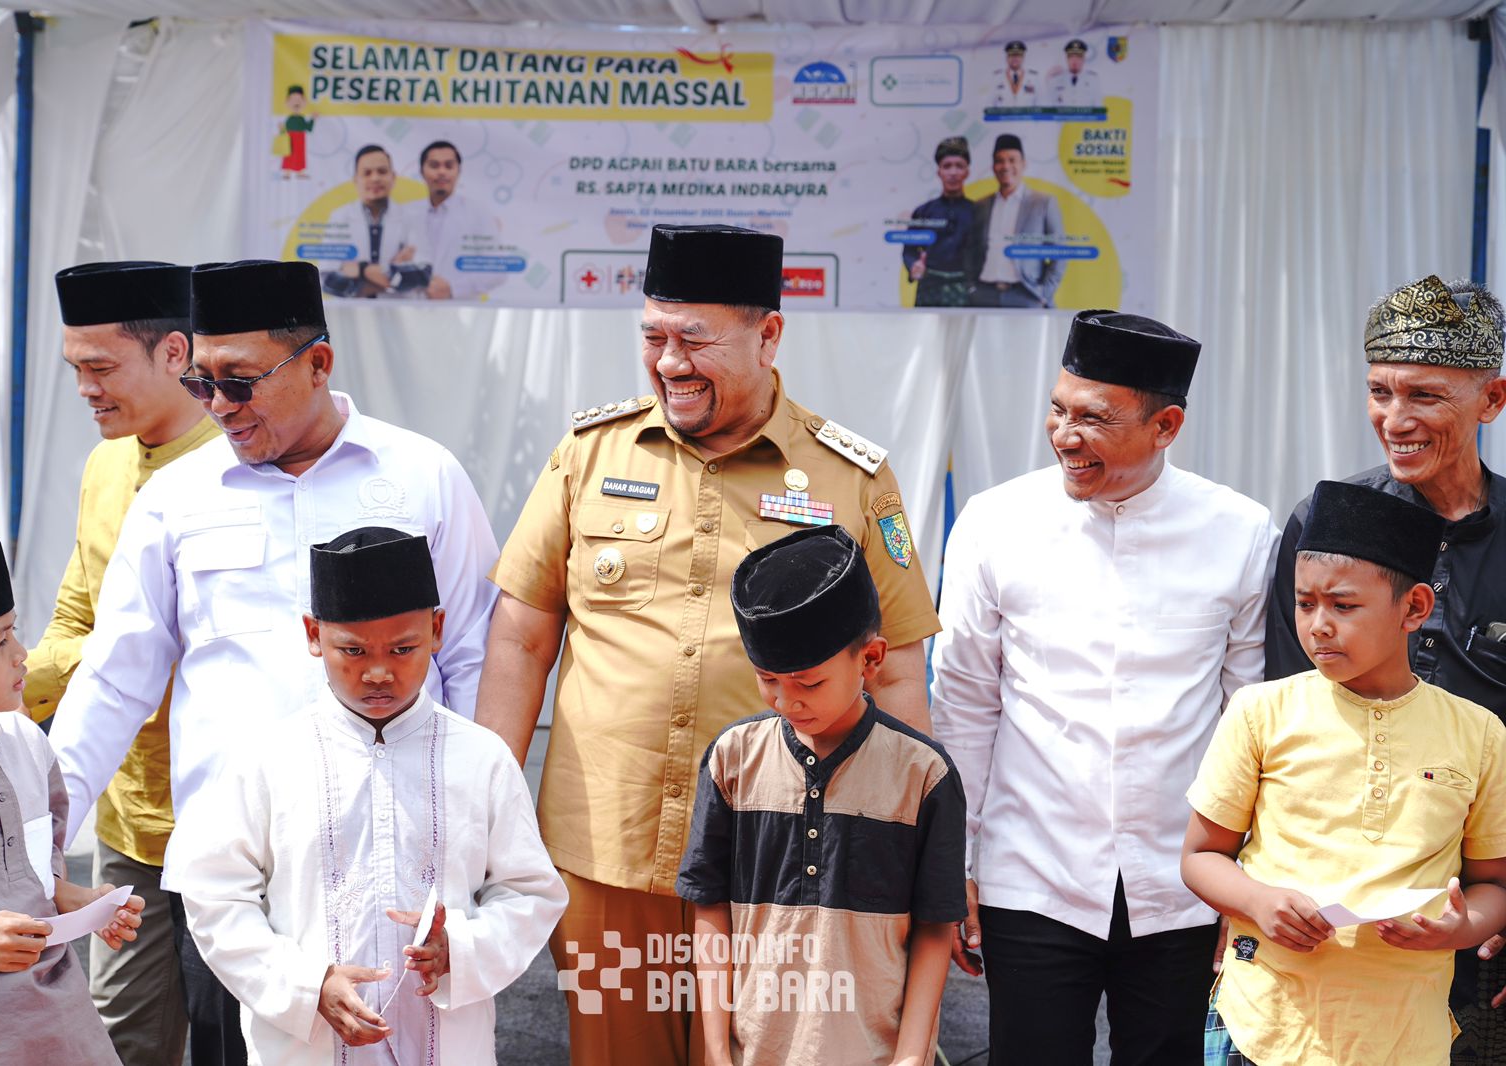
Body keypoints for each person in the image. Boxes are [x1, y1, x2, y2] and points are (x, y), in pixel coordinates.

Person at [476, 223, 940, 1065]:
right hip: (608, 850)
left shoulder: (852, 478)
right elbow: (519, 637)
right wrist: (485, 797)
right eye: (653, 337)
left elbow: (899, 668)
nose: (669, 363)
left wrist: (908, 843)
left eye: (695, 340)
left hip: (785, 860)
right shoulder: (589, 453)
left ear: (769, 336)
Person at [47, 258, 500, 1066]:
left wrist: (472, 838)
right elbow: (115, 678)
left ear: (318, 363)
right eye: (201, 383)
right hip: (237, 878)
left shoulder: (421, 476)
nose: (218, 404)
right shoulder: (175, 499)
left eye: (240, 381)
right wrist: (39, 838)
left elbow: (470, 656)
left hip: (399, 861)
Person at [931, 311, 1279, 1065]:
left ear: (1166, 426)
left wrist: (1248, 878)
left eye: (1094, 419)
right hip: (1033, 869)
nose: (1065, 435)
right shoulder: (995, 524)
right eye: (1058, 410)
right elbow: (964, 705)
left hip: (1184, 882)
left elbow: (1251, 718)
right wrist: (954, 862)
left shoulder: (1241, 533)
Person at [178, 526, 566, 1065]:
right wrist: (307, 985)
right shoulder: (268, 760)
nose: (379, 672)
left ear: (436, 630)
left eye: (403, 648)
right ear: (314, 635)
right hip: (307, 1049)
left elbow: (529, 892)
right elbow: (216, 896)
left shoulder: (481, 758)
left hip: (448, 1046)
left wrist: (460, 950)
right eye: (353, 650)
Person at [1262, 275, 1506, 1055]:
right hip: (1331, 920)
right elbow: (1282, 712)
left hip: (1483, 918)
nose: (1394, 421)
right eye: (1379, 392)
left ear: (1492, 400)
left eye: (1424, 396)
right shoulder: (1326, 523)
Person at [1187, 479, 1506, 1065]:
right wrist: (1258, 901)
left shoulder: (1479, 733)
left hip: (1404, 1034)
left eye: (1343, 605)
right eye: (1305, 603)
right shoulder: (1260, 711)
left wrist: (1460, 929)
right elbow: (1201, 857)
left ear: (1414, 608)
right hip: (1264, 1025)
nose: (1318, 625)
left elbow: (1493, 885)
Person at [23, 261, 218, 1066]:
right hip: (125, 820)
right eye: (75, 369)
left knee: (238, 1040)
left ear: (174, 353)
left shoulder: (241, 469)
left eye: (101, 368)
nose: (85, 390)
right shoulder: (105, 464)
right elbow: (77, 617)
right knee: (116, 1042)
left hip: (229, 826)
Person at [677, 525, 965, 1066]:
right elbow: (709, 904)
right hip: (753, 1051)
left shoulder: (923, 776)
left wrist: (910, 1055)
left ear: (871, 660)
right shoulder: (732, 760)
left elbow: (934, 927)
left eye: (808, 684)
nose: (787, 702)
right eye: (768, 680)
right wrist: (715, 1048)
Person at [0, 536, 144, 1063]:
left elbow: (34, 873)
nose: (22, 655)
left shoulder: (24, 741)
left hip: (68, 1031)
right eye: (0, 642)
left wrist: (79, 901)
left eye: (15, 631)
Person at [968, 134, 1066, 308]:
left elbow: (1059, 251)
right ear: (993, 166)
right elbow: (970, 250)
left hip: (1026, 295)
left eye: (1012, 160)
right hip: (984, 295)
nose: (1006, 166)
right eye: (1000, 161)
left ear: (1023, 164)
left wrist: (1045, 293)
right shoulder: (980, 205)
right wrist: (971, 287)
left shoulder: (1043, 203)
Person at [409, 140, 506, 302]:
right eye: (434, 165)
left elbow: (497, 270)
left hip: (460, 307)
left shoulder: (478, 213)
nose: (442, 172)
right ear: (422, 171)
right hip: (410, 307)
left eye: (449, 166)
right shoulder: (406, 213)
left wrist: (453, 289)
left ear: (458, 171)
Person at [322, 145, 423, 299]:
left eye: (382, 171)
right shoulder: (339, 217)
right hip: (350, 312)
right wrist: (386, 271)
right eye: (367, 173)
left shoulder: (411, 217)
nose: (375, 178)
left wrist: (359, 270)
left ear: (393, 177)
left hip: (399, 310)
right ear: (356, 180)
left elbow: (420, 276)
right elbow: (329, 281)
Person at [905, 136, 977, 308]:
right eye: (947, 166)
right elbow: (909, 251)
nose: (953, 172)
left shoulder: (978, 212)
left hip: (965, 289)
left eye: (959, 166)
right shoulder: (923, 212)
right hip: (930, 288)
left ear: (967, 172)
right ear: (939, 172)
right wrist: (914, 265)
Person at [1046, 39, 1102, 108]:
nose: (1074, 60)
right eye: (1071, 56)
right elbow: (1049, 105)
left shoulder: (1093, 80)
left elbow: (1098, 107)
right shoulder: (1056, 80)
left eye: (1078, 56)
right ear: (1066, 59)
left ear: (1084, 59)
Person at [987, 41, 1040, 108]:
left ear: (1023, 57)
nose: (1015, 58)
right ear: (1006, 58)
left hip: (1027, 115)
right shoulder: (996, 78)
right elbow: (988, 105)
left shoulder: (1034, 78)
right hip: (1003, 115)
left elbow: (1040, 104)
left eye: (1018, 55)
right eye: (1011, 55)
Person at [278, 85, 315, 177]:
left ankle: (300, 173)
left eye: (299, 100)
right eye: (293, 100)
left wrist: (313, 119)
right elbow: (284, 132)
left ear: (304, 102)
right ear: (287, 102)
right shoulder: (289, 119)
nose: (296, 103)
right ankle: (287, 173)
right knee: (288, 156)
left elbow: (309, 128)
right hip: (290, 139)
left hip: (300, 139)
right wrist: (282, 129)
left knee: (300, 156)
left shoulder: (302, 118)